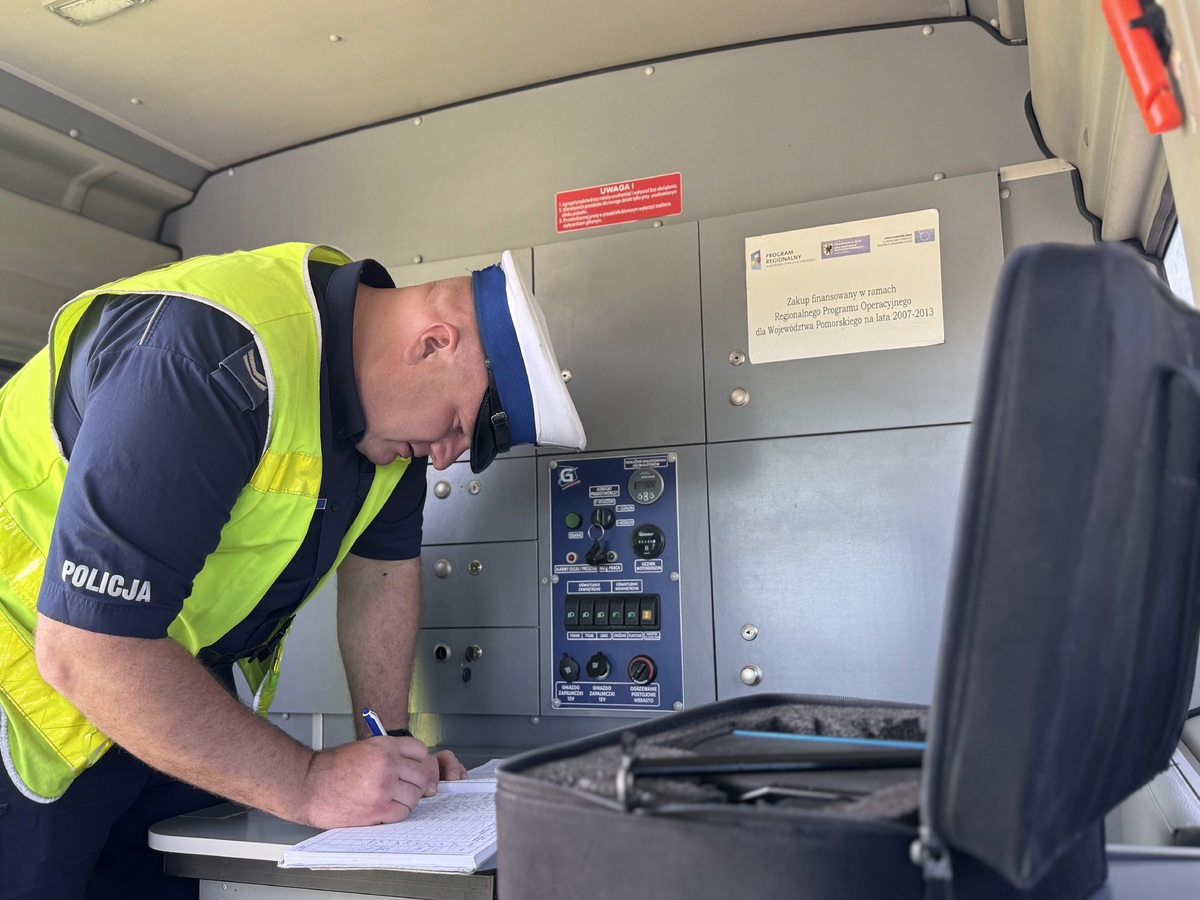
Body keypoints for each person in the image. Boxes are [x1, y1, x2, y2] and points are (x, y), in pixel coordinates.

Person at [0, 242, 586, 899]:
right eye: (459, 425)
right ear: (433, 344)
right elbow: (87, 647)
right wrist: (310, 783)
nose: (447, 456)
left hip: (163, 690)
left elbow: (381, 580)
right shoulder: (201, 359)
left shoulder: (392, 436)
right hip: (29, 693)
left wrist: (391, 749)